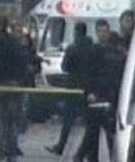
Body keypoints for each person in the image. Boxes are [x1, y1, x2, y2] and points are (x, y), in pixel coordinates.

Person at [74, 21, 126, 162]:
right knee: (95, 132)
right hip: (97, 97)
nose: (103, 34)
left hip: (108, 97)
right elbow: (87, 74)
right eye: (100, 31)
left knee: (100, 132)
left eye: (105, 31)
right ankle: (85, 156)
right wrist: (89, 92)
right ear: (97, 33)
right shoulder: (94, 51)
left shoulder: (113, 53)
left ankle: (82, 156)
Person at [0, 15, 27, 162]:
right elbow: (22, 62)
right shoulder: (14, 42)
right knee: (12, 120)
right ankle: (12, 152)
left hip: (0, 84)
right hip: (14, 84)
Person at [46, 22, 92, 156]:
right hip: (87, 88)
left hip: (73, 87)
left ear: (76, 32)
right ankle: (88, 151)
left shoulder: (73, 48)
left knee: (68, 120)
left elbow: (65, 66)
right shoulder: (91, 48)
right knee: (90, 122)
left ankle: (61, 146)